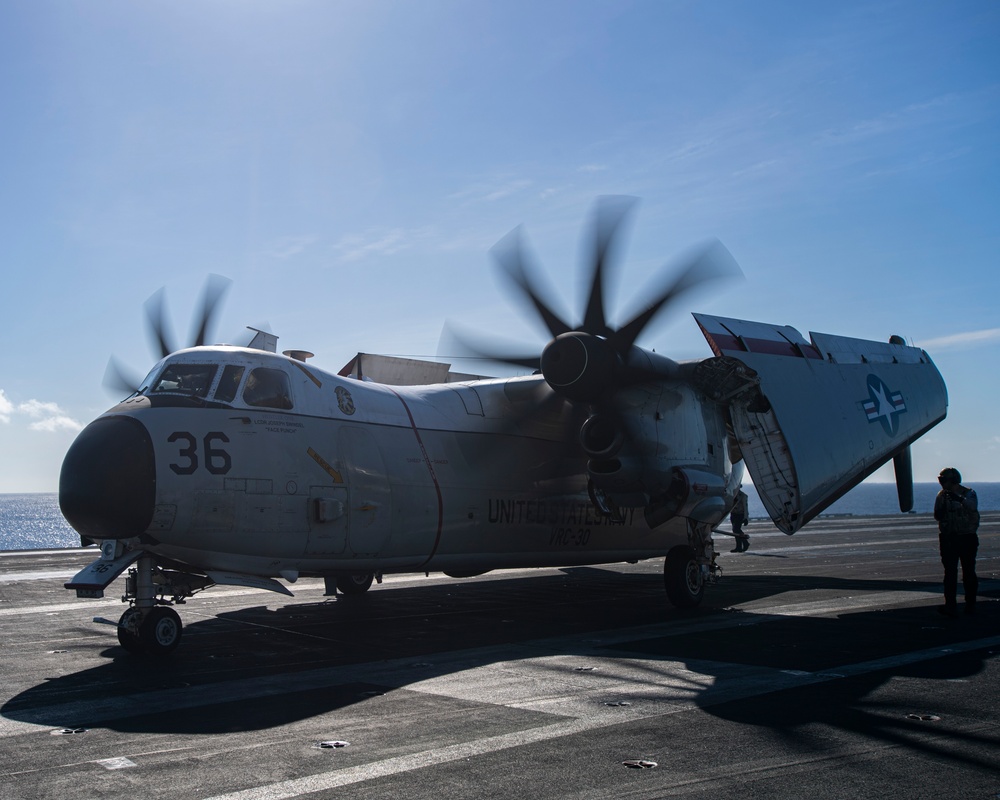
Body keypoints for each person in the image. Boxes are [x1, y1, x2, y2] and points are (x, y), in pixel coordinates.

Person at [933, 467, 979, 617]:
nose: (941, 483)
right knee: (950, 573)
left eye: (943, 480)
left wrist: (958, 499)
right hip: (949, 538)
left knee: (968, 573)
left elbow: (972, 507)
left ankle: (970, 605)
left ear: (952, 480)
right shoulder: (941, 496)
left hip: (966, 537)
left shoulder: (968, 493)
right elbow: (937, 515)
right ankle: (950, 605)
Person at [730, 488, 750, 553]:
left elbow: (745, 507)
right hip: (733, 514)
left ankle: (744, 543)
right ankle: (739, 546)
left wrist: (746, 518)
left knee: (736, 529)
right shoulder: (732, 494)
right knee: (735, 530)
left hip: (740, 514)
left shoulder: (742, 496)